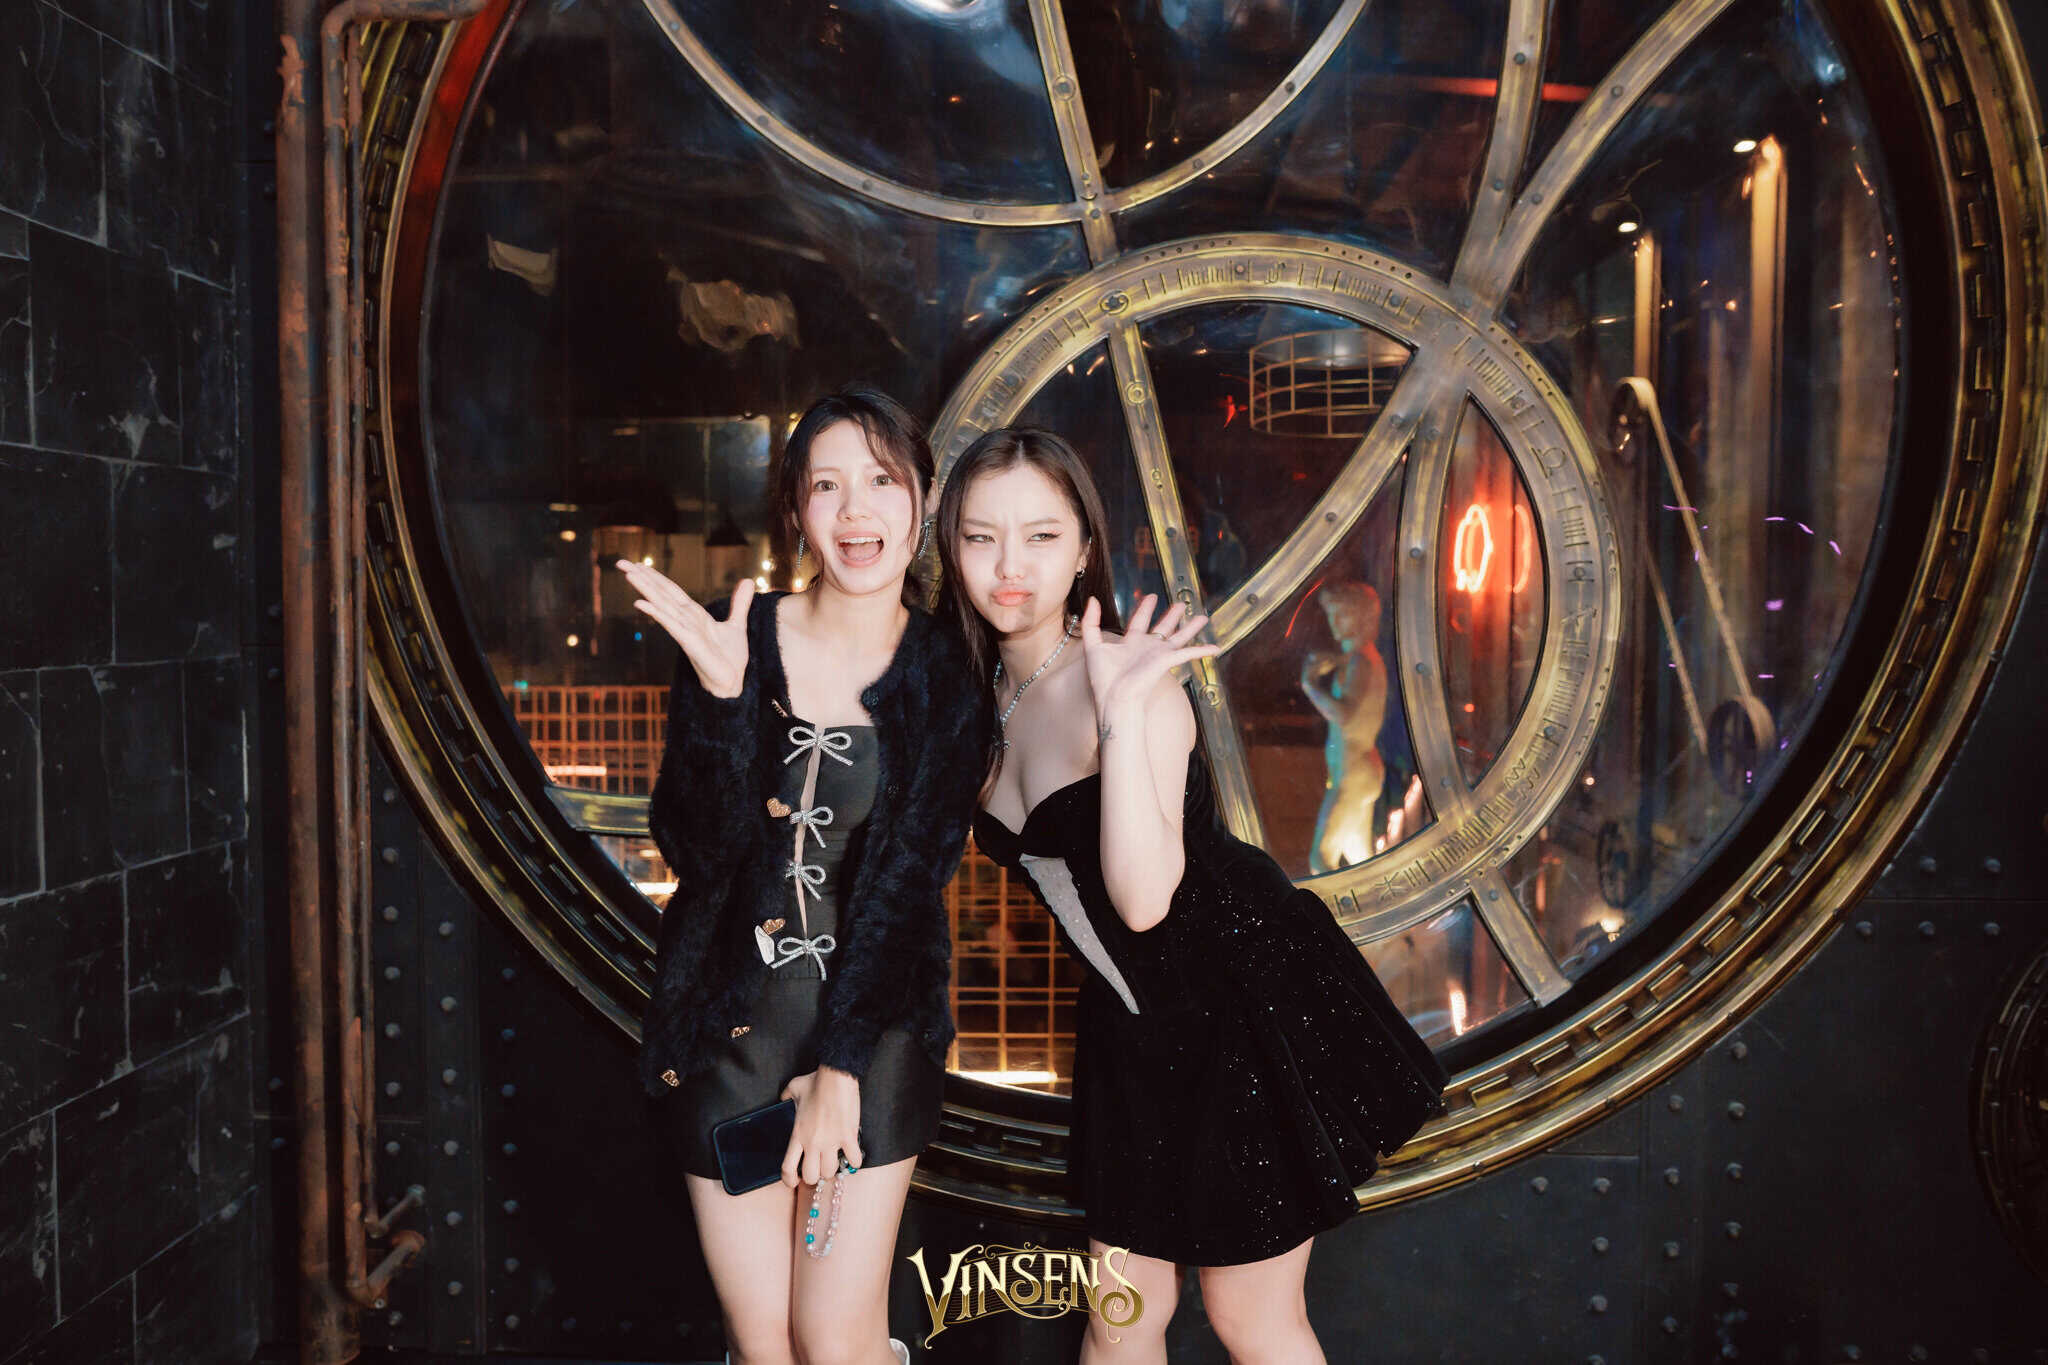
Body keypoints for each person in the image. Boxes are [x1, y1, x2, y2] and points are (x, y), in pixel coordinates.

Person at [934, 428, 1449, 1364]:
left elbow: (1143, 902)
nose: (1010, 566)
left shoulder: (1132, 681)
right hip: (1130, 1029)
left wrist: (1122, 720)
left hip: (1235, 1004)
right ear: (951, 548)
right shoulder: (976, 694)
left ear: (1084, 550)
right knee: (1119, 1317)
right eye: (981, 537)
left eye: (1042, 536)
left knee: (1251, 1317)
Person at [622, 385, 991, 1365]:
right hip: (725, 1037)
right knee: (764, 1347)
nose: (855, 510)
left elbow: (907, 888)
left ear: (922, 500)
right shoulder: (734, 635)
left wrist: (840, 1069)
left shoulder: (948, 674)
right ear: (794, 508)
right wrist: (719, 701)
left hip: (872, 1037)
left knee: (833, 1343)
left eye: (881, 481)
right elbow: (695, 854)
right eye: (826, 486)